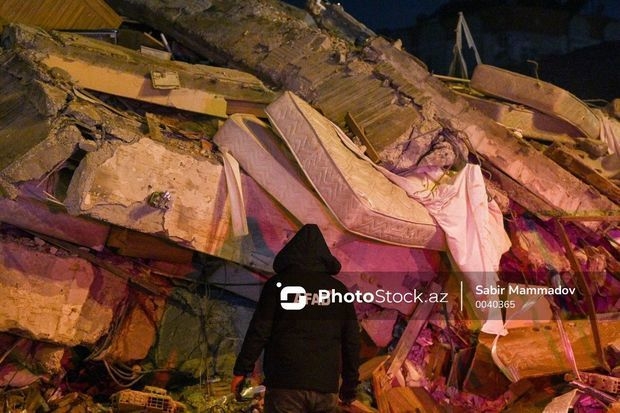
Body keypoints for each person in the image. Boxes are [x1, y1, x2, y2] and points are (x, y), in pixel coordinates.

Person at [231, 224, 361, 413]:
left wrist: (241, 371)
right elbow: (351, 342)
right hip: (324, 388)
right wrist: (349, 387)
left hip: (284, 386)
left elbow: (259, 331)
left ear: (291, 253)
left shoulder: (277, 285)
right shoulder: (339, 291)